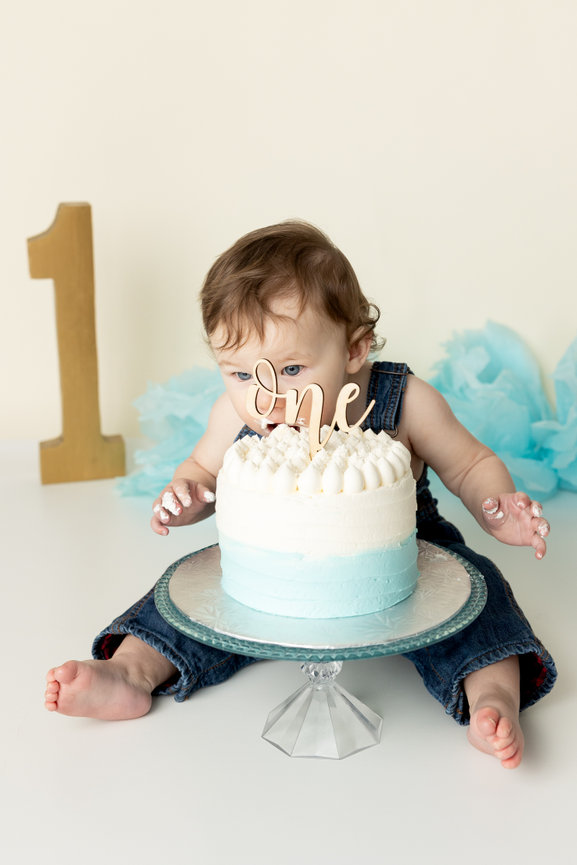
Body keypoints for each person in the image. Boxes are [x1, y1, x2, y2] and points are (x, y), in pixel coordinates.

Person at [45, 220, 556, 769]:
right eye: (240, 374)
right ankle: (131, 671)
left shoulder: (403, 400)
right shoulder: (233, 415)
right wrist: (188, 495)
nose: (266, 397)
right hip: (270, 559)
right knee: (194, 598)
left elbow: (471, 462)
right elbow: (201, 471)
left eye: (290, 369)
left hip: (406, 548)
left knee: (478, 594)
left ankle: (491, 696)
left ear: (355, 348)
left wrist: (495, 505)